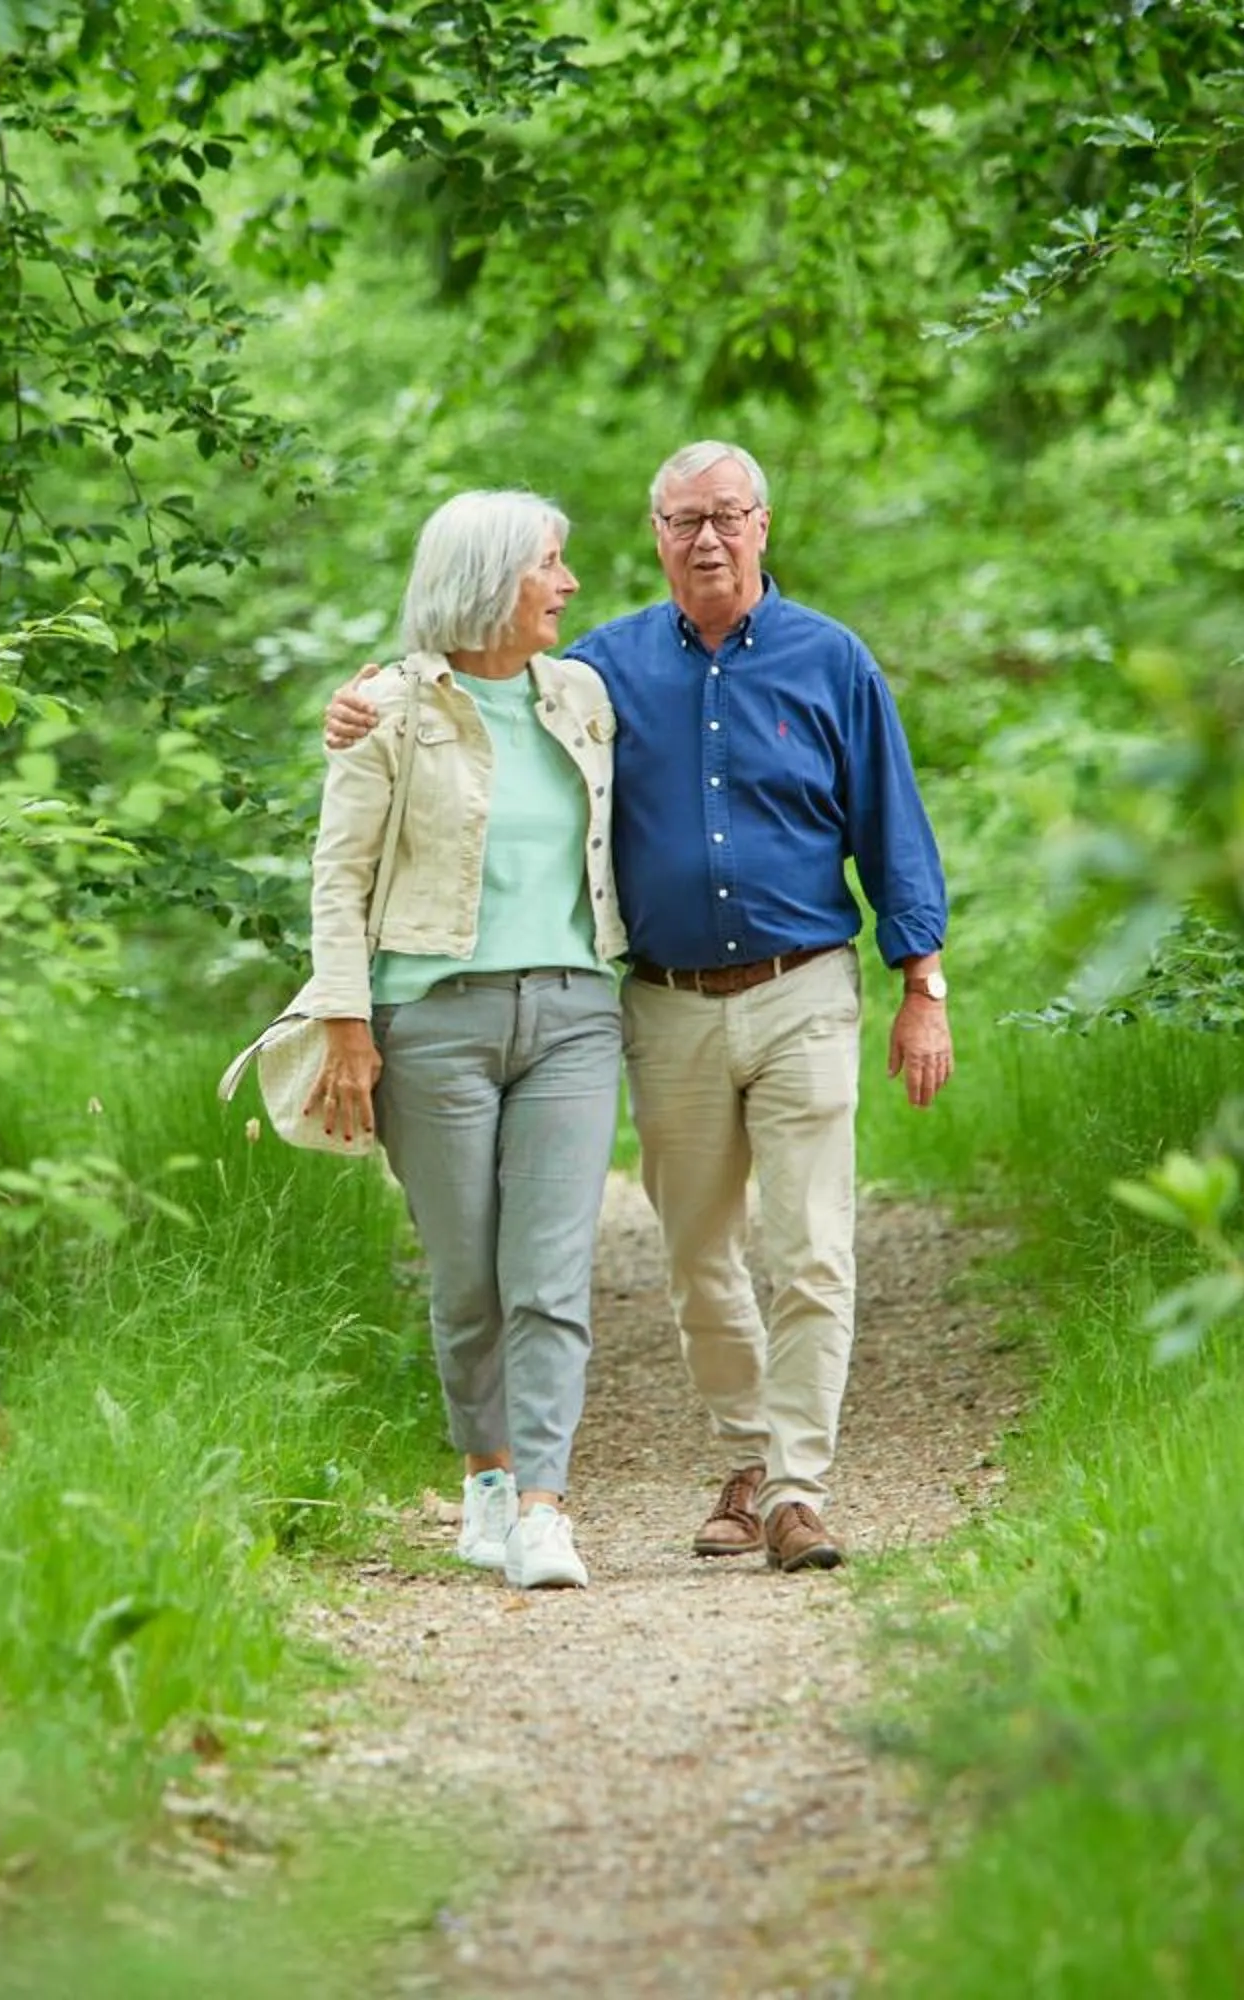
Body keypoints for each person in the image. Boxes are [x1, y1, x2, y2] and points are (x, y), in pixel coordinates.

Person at [326, 441, 950, 1573]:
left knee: (810, 1248)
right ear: (656, 535)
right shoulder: (599, 672)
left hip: (804, 987)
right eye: (681, 520)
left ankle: (797, 1488)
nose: (705, 539)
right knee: (699, 1256)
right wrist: (363, 691)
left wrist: (924, 984)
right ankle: (746, 1457)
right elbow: (466, 669)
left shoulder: (832, 660)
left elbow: (893, 827)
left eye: (726, 515)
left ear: (764, 524)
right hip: (663, 1003)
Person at [301, 489, 626, 1591]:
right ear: (493, 579)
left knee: (549, 1270)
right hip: (431, 1020)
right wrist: (345, 1021)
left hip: (576, 1013)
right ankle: (485, 1479)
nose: (569, 585)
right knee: (469, 1274)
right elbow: (338, 881)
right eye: (551, 564)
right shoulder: (386, 710)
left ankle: (545, 1504)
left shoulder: (581, 694)